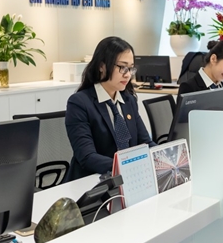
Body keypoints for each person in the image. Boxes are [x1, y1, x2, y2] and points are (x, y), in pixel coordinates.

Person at [65, 36, 155, 182]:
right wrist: (127, 166)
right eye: (122, 67)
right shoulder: (79, 103)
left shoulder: (128, 100)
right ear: (102, 66)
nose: (127, 74)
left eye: (131, 68)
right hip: (92, 181)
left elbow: (145, 142)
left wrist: (162, 156)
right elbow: (87, 157)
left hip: (128, 179)